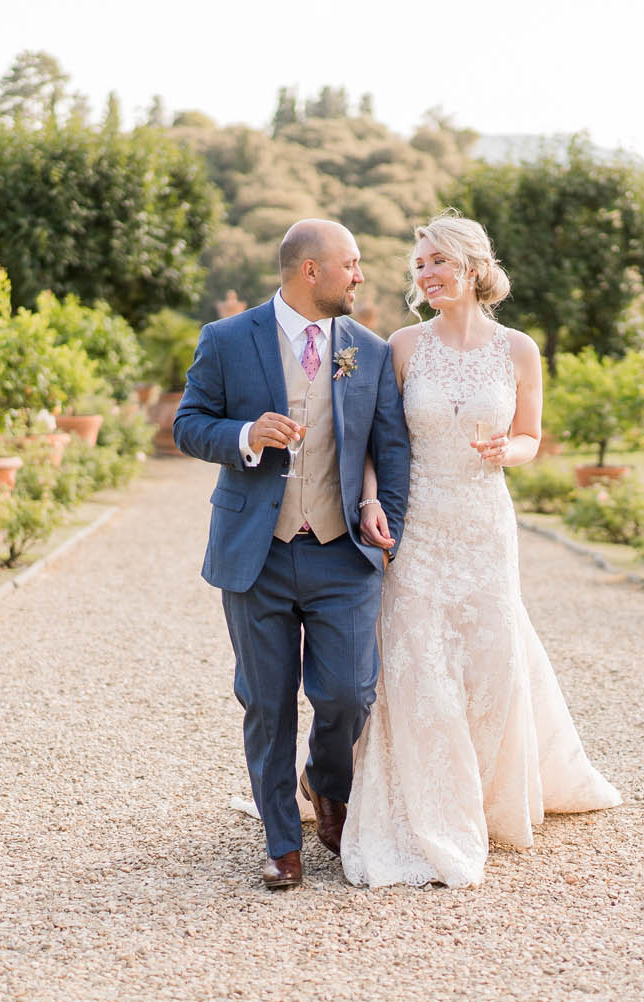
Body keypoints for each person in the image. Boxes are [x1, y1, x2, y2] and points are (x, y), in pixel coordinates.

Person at [344, 213, 621, 888]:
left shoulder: (519, 350)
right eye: (419, 265)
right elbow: (381, 442)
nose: (427, 273)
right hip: (420, 525)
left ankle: (492, 798)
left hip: (485, 526)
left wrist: (511, 451)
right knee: (420, 662)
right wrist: (372, 500)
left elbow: (531, 436)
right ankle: (428, 809)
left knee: (491, 661)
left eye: (439, 260)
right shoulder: (402, 347)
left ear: (472, 267)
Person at [173, 219, 411, 890]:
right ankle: (281, 842)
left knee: (348, 694)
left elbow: (387, 448)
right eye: (352, 264)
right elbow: (188, 424)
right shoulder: (226, 340)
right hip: (259, 553)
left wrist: (386, 515)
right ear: (311, 271)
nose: (360, 276)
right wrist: (246, 432)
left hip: (343, 555)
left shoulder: (367, 348)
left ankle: (325, 780)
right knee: (266, 702)